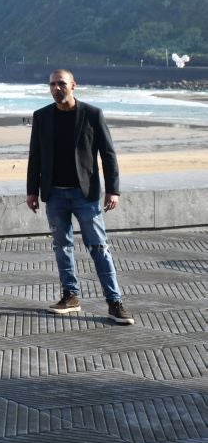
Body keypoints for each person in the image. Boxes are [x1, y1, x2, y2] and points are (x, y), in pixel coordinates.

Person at [26, 69, 134, 325]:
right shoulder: (41, 116)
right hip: (54, 195)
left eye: (61, 84)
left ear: (73, 85)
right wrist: (32, 191)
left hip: (85, 194)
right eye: (52, 84)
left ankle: (114, 302)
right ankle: (70, 296)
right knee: (62, 247)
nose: (56, 88)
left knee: (99, 247)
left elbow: (108, 154)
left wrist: (113, 189)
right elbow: (35, 156)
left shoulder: (92, 114)